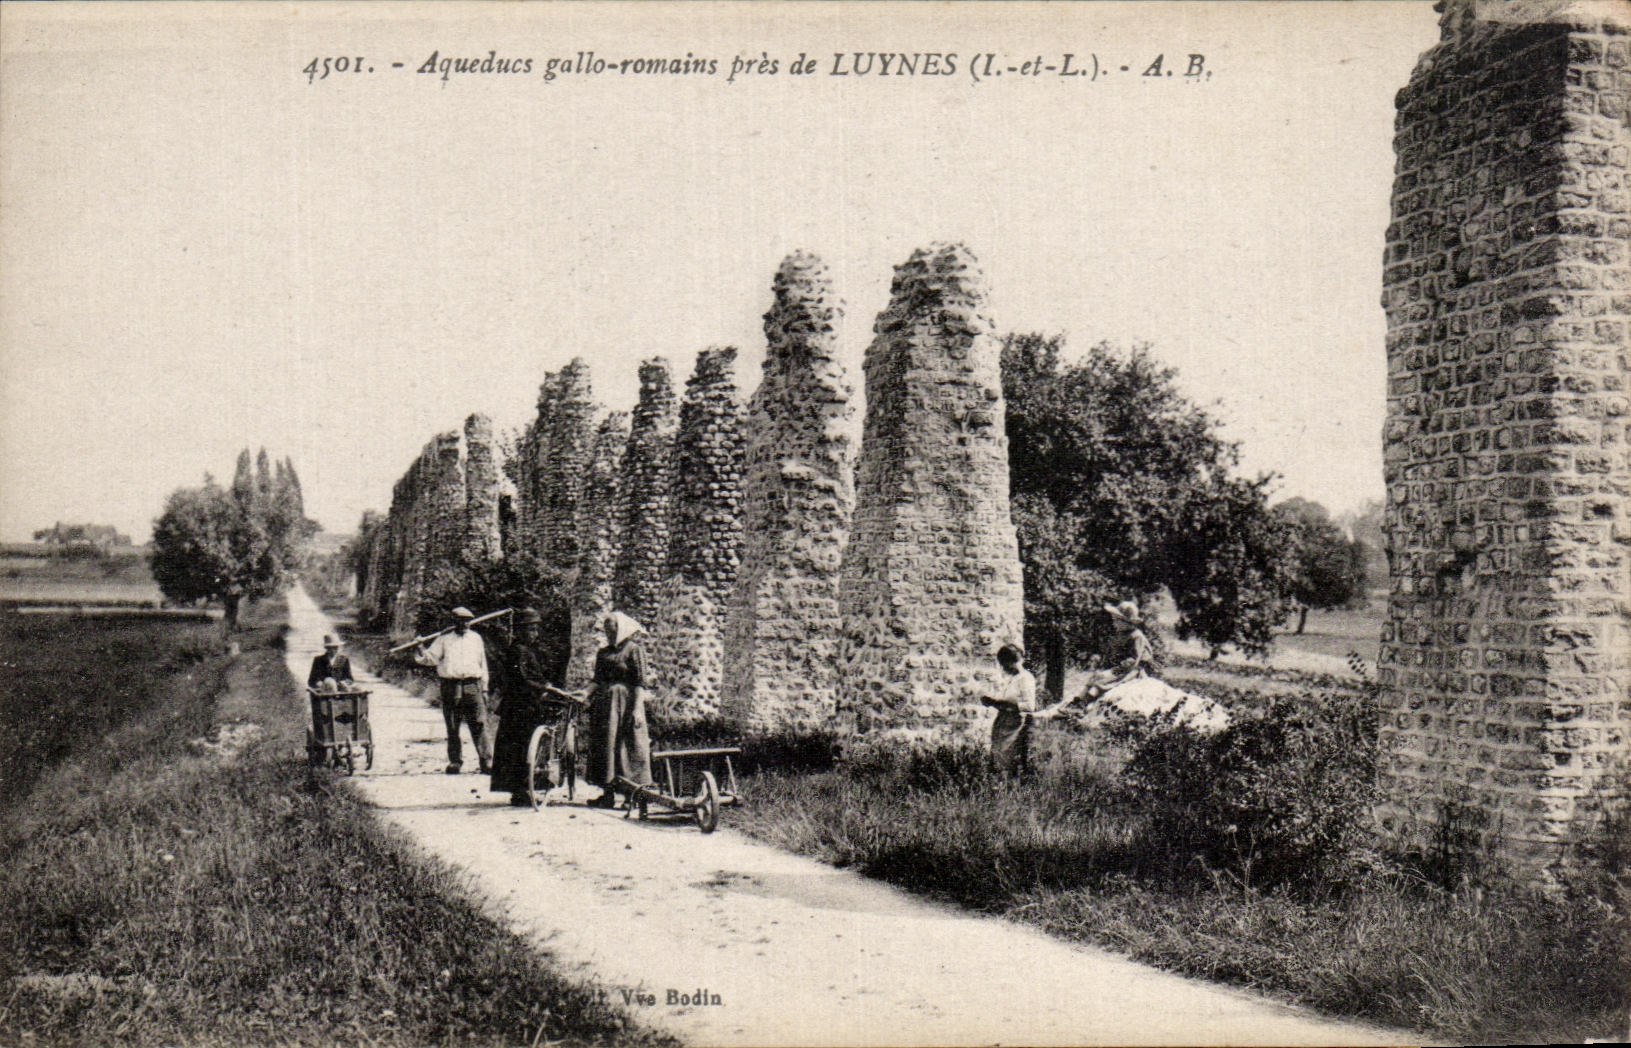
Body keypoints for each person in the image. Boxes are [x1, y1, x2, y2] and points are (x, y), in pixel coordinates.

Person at [489, 609, 567, 806]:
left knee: (523, 746)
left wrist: (545, 685)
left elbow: (537, 674)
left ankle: (525, 787)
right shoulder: (518, 651)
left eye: (535, 629)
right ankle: (520, 789)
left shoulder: (530, 650)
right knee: (519, 747)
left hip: (526, 703)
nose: (534, 633)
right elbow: (523, 679)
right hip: (519, 705)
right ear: (520, 631)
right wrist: (545, 687)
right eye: (530, 629)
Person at [1035, 599, 1156, 721]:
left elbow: (1133, 660)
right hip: (1118, 668)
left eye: (1117, 620)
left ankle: (1083, 704)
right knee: (1096, 676)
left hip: (1130, 671)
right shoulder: (1120, 635)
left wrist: (1114, 670)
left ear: (1127, 622)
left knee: (1102, 679)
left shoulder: (1136, 636)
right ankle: (1078, 701)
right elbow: (1112, 654)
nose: (1114, 622)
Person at [584, 611, 652, 809]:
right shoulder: (603, 653)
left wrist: (637, 709)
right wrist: (584, 693)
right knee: (606, 746)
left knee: (627, 747)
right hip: (605, 706)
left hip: (626, 704)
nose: (609, 634)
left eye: (612, 629)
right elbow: (597, 680)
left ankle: (631, 797)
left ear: (622, 629)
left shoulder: (634, 650)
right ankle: (608, 795)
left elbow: (640, 682)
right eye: (606, 630)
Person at [415, 606, 491, 775]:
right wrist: (420, 648)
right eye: (461, 621)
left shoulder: (476, 639)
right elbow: (430, 659)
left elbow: (483, 664)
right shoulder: (444, 639)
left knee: (479, 723)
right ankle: (455, 762)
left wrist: (485, 688)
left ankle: (486, 761)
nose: (465, 624)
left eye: (467, 621)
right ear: (454, 621)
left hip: (473, 685)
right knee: (453, 725)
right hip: (451, 686)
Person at [979, 644, 1037, 774]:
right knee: (998, 761)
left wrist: (1003, 703)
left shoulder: (1025, 678)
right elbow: (1008, 703)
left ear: (1010, 662)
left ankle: (1006, 783)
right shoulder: (1014, 678)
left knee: (1007, 762)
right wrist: (993, 703)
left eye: (1004, 664)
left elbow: (1029, 706)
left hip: (1014, 726)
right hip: (1004, 724)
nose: (1003, 668)